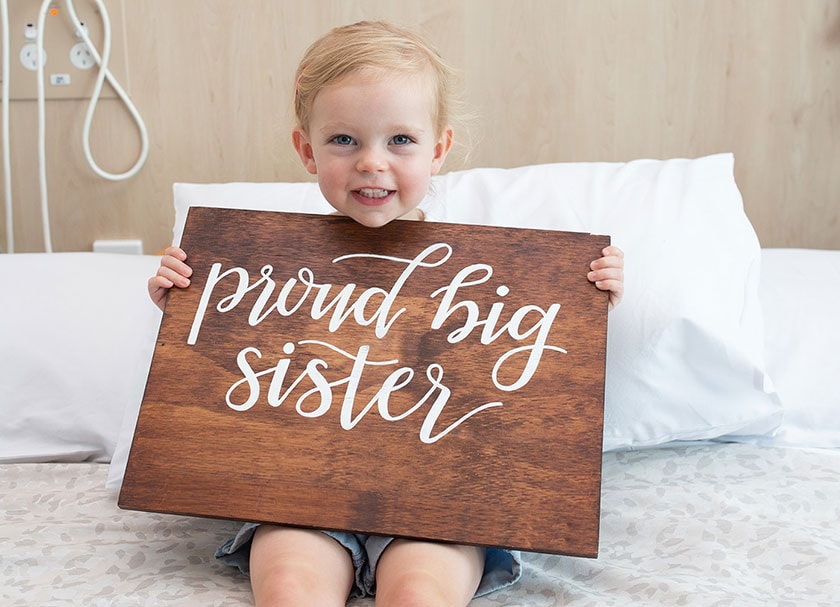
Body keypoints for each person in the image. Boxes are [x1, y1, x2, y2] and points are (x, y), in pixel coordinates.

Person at [148, 20, 624, 607]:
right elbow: (226, 374)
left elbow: (524, 378)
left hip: (437, 496)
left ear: (438, 149)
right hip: (305, 492)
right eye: (344, 140)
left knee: (419, 593)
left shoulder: (488, 274)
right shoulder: (261, 269)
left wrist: (587, 297)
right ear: (307, 150)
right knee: (289, 585)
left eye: (400, 139)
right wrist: (184, 307)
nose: (372, 163)